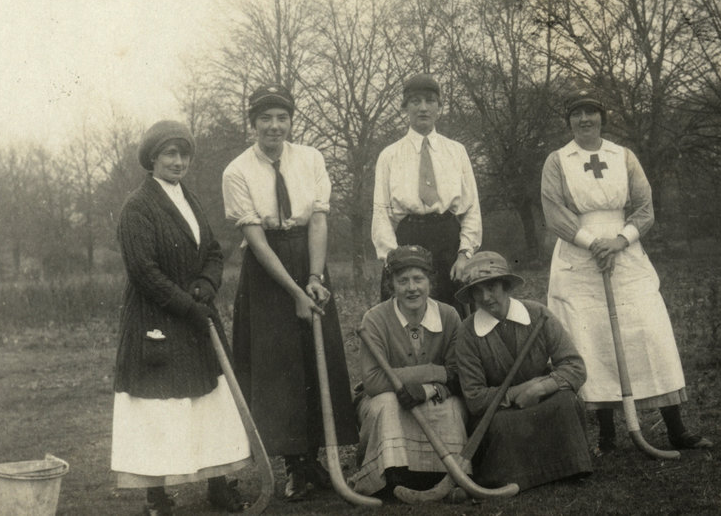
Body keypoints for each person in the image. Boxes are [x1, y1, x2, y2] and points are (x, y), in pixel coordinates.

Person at [540, 91, 713, 453]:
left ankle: (676, 428)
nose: (585, 119)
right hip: (578, 258)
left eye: (592, 112)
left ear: (602, 118)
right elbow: (556, 214)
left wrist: (618, 241)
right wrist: (593, 243)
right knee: (592, 340)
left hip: (626, 254)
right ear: (568, 121)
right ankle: (607, 435)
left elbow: (645, 209)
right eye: (577, 114)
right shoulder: (557, 161)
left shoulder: (623, 156)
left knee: (650, 333)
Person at [222, 83, 359, 501]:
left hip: (308, 258)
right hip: (268, 271)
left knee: (317, 356)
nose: (274, 126)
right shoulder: (237, 171)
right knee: (277, 366)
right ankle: (292, 465)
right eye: (265, 118)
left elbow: (318, 221)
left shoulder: (312, 159)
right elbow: (256, 241)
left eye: (282, 117)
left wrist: (314, 279)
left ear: (291, 121)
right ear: (253, 123)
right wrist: (293, 291)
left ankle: (318, 456)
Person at [112, 120, 249, 516]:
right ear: (153, 158)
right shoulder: (137, 207)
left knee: (210, 402)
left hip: (196, 317)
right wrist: (188, 306)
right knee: (158, 410)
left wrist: (207, 285)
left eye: (184, 153)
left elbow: (214, 252)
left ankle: (218, 486)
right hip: (157, 320)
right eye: (170, 153)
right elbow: (144, 270)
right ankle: (156, 496)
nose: (178, 161)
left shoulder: (189, 199)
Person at [455, 251, 592, 491]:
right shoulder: (467, 333)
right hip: (500, 412)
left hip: (543, 401)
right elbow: (475, 399)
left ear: (506, 286)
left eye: (492, 286)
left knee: (566, 402)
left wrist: (541, 387)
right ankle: (516, 477)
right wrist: (522, 391)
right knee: (498, 426)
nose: (486, 297)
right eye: (478, 291)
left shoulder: (538, 314)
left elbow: (575, 367)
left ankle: (569, 466)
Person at [349, 245, 468, 497]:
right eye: (402, 281)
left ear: (430, 282)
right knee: (388, 403)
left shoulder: (449, 315)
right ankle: (391, 478)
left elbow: (457, 372)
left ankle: (443, 477)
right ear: (391, 285)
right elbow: (373, 382)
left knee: (450, 407)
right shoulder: (375, 319)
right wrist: (437, 372)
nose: (411, 288)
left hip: (435, 393)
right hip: (380, 398)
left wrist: (428, 388)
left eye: (418, 279)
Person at [372, 73, 482, 313]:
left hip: (447, 241)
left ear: (439, 106)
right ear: (405, 107)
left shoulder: (456, 151)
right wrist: (394, 262)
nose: (423, 108)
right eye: (415, 101)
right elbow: (381, 214)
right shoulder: (389, 155)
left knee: (452, 317)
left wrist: (464, 254)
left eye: (430, 101)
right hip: (407, 240)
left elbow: (471, 208)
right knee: (408, 316)